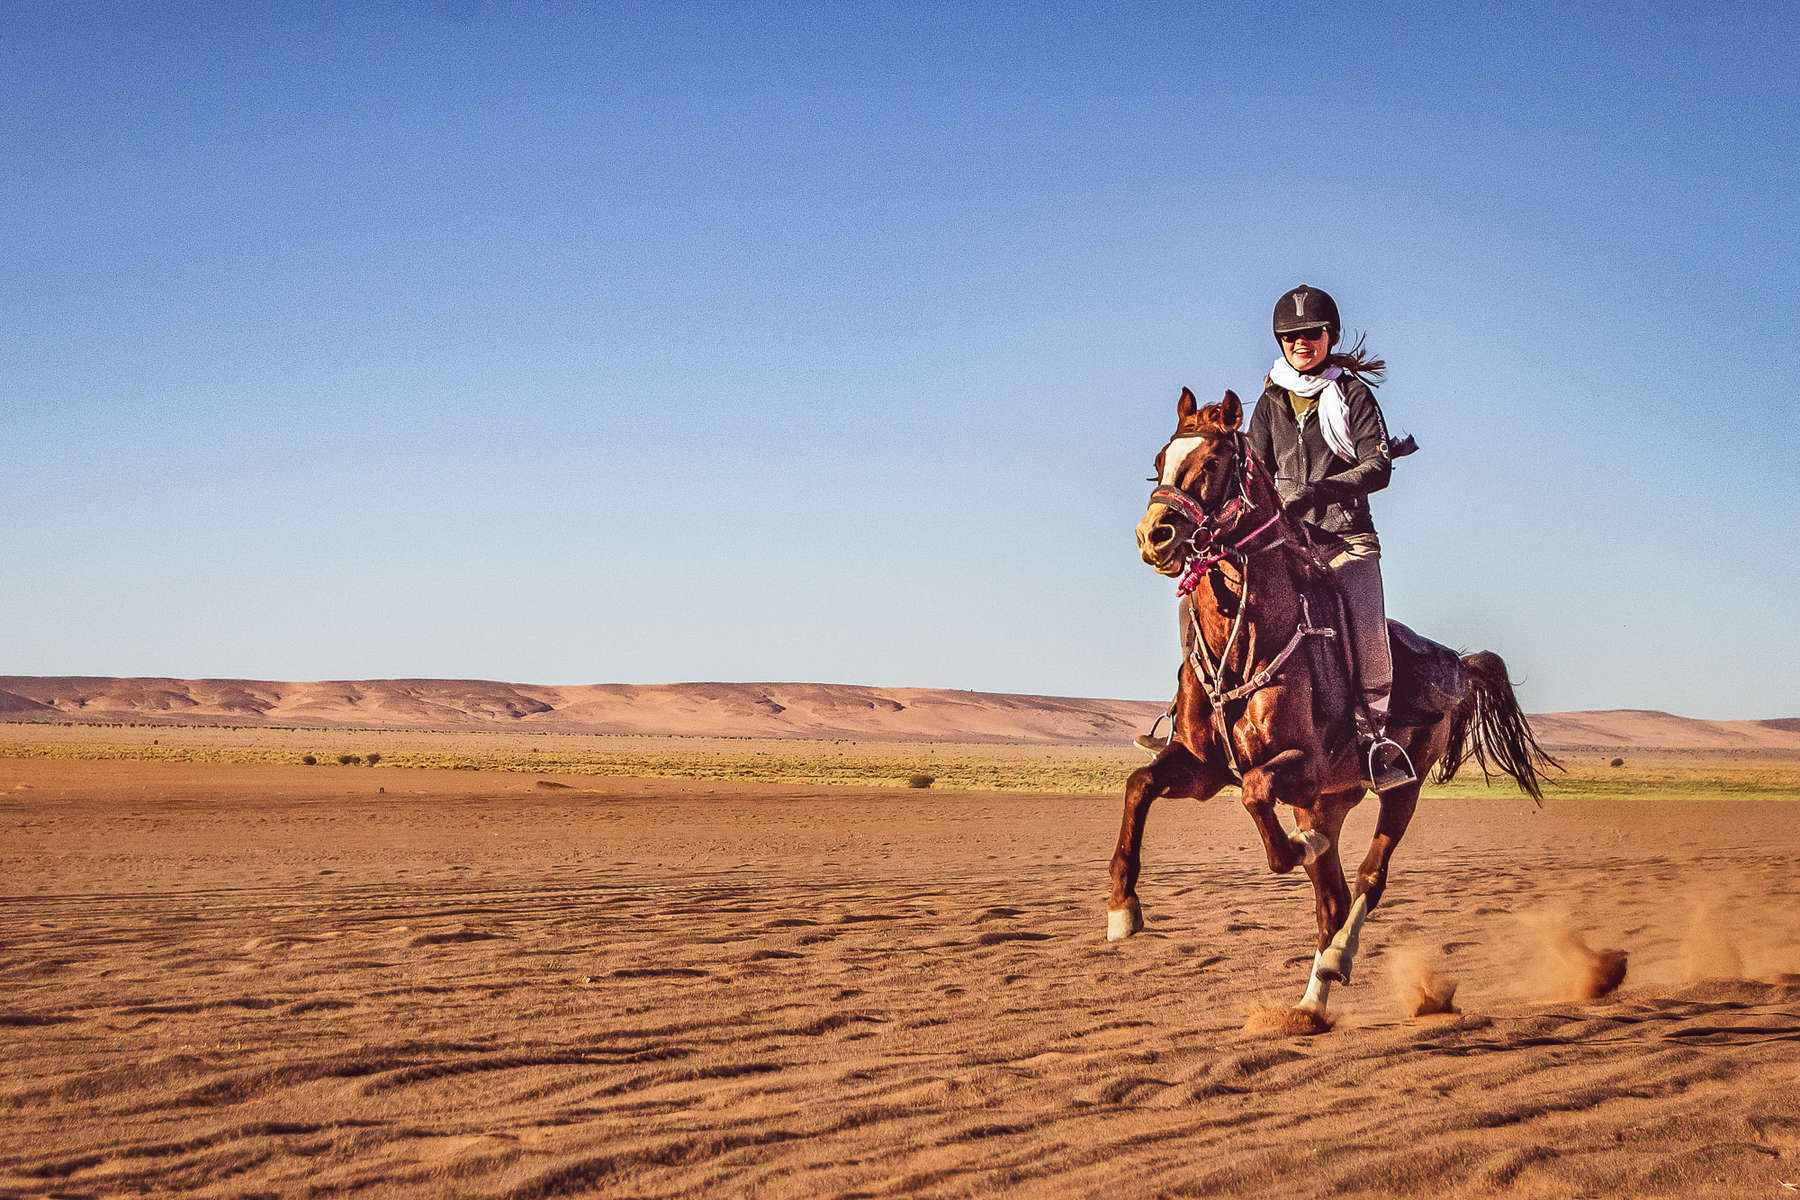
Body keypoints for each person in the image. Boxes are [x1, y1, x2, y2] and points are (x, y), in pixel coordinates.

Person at [1248, 284, 1413, 790]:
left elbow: (1378, 467)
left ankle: (1376, 738)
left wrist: (1315, 492)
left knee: (1366, 631)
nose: (1303, 343)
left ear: (1329, 336)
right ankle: (1189, 722)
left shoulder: (1354, 395)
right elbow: (1255, 469)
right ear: (1281, 341)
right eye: (1292, 335)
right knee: (1214, 602)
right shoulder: (1270, 400)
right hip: (1288, 543)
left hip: (1347, 542)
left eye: (1313, 333)